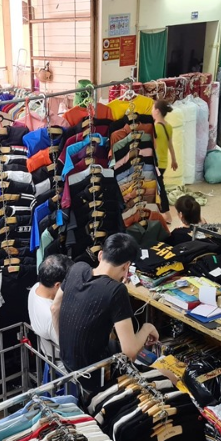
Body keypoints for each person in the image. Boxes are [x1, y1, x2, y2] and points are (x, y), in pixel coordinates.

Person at [51, 233, 159, 396]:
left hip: (66, 361)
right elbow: (129, 351)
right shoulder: (116, 291)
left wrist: (67, 344)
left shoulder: (77, 267)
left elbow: (54, 308)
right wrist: (147, 327)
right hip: (94, 373)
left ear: (100, 254)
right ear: (126, 266)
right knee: (166, 374)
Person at [27, 254, 73, 363]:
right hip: (61, 363)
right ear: (58, 285)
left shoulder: (35, 288)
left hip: (48, 353)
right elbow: (69, 346)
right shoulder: (51, 316)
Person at [153, 99, 178, 224]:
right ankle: (160, 212)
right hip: (164, 162)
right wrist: (174, 160)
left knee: (160, 188)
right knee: (158, 187)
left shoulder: (156, 127)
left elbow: (154, 146)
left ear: (157, 111)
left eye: (153, 109)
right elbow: (170, 145)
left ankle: (167, 215)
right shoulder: (168, 125)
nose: (152, 111)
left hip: (156, 163)